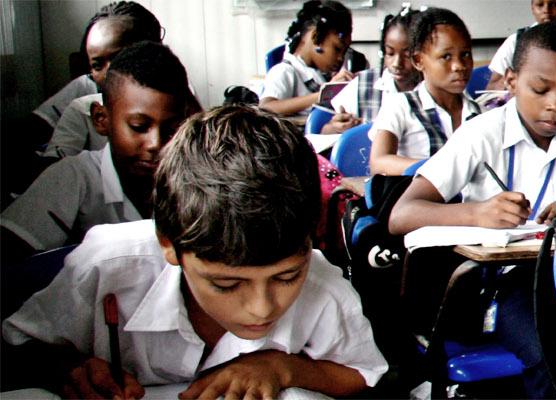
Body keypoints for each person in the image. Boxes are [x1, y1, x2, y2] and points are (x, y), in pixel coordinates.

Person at [2, 105, 388, 399]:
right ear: (169, 243)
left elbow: (362, 373)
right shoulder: (107, 266)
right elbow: (18, 346)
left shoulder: (323, 286)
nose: (261, 308)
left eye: (286, 277)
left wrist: (284, 369)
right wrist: (68, 367)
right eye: (225, 283)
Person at [390, 22, 556, 398]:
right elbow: (402, 215)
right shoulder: (482, 133)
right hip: (502, 284)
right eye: (540, 90)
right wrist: (475, 214)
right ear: (510, 81)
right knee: (550, 357)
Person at [1, 42, 198, 263]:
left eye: (172, 129)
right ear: (101, 119)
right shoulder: (74, 177)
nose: (155, 143)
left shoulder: (194, 181)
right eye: (139, 127)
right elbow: (10, 257)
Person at [40, 1, 164, 159]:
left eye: (120, 58)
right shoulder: (82, 111)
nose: (109, 73)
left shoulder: (180, 103)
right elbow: (54, 170)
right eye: (97, 65)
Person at [368, 7, 481, 175]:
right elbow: (379, 162)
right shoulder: (401, 106)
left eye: (465, 54)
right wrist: (440, 168)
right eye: (446, 57)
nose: (459, 66)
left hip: (471, 201)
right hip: (416, 199)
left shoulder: (481, 115)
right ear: (418, 60)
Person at [326, 4, 424, 132]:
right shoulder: (362, 84)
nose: (396, 64)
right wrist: (334, 128)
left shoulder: (434, 89)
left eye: (407, 55)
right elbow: (324, 131)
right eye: (390, 53)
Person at [260, 0, 354, 117]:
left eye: (344, 52)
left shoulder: (318, 76)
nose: (341, 58)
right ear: (315, 38)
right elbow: (265, 108)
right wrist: (323, 94)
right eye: (337, 49)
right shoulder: (285, 71)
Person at [485, 0, 556, 92]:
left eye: (554, 4)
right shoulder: (516, 41)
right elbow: (492, 87)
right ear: (532, 8)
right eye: (540, 5)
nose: (546, 10)